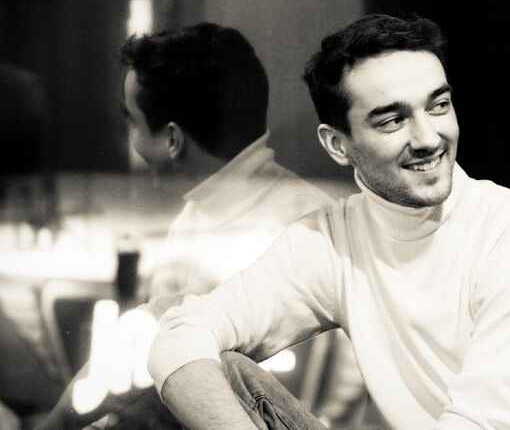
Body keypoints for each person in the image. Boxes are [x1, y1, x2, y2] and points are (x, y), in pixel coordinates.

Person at [148, 15, 510, 429]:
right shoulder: (332, 239)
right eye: (392, 120)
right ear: (337, 145)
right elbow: (180, 336)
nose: (429, 138)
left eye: (439, 106)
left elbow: (482, 424)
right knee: (224, 371)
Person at [36, 22, 362, 430]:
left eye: (132, 122)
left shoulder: (293, 230)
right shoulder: (206, 213)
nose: (130, 141)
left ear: (172, 140)